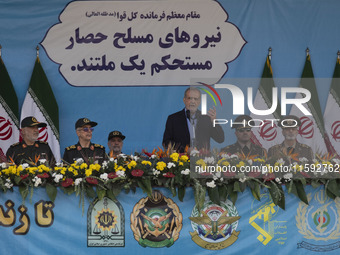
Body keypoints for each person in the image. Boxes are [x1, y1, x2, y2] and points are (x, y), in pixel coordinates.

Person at [162, 87, 224, 152]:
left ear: (199, 101)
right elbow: (166, 143)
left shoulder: (207, 119)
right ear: (184, 100)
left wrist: (214, 121)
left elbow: (220, 139)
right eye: (190, 98)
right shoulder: (173, 119)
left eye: (195, 99)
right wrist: (185, 150)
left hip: (202, 160)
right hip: (181, 160)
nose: (193, 101)